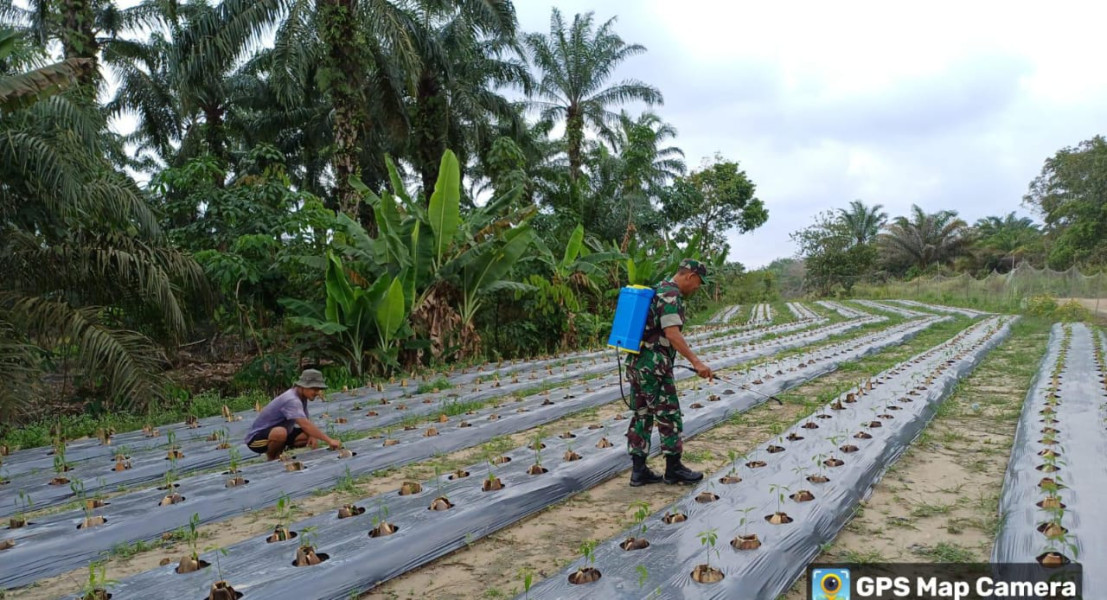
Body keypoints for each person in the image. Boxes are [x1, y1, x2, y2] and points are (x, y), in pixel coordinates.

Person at [625, 258, 714, 486]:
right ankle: (673, 469)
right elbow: (672, 333)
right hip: (654, 365)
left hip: (637, 362)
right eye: (698, 283)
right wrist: (696, 362)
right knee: (669, 414)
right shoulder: (671, 295)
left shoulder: (658, 289)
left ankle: (639, 471)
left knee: (642, 414)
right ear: (690, 276)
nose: (697, 288)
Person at [245, 369, 342, 461]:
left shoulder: (301, 397)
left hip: (283, 431)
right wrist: (329, 440)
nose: (317, 393)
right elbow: (304, 424)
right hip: (257, 439)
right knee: (280, 433)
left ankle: (279, 449)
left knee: (307, 435)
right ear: (303, 386)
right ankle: (272, 457)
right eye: (314, 389)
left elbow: (306, 420)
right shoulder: (292, 400)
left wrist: (312, 436)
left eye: (319, 389)